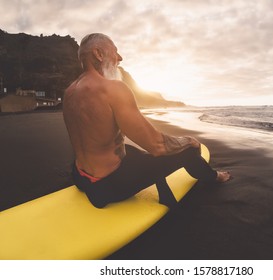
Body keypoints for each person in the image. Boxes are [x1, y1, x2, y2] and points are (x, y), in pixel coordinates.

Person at [63, 33, 231, 209]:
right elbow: (157, 145)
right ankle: (214, 177)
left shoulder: (70, 92)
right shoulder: (113, 89)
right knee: (188, 151)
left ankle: (163, 188)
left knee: (131, 150)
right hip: (109, 187)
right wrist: (189, 141)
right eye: (115, 52)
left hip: (80, 177)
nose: (120, 58)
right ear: (98, 54)